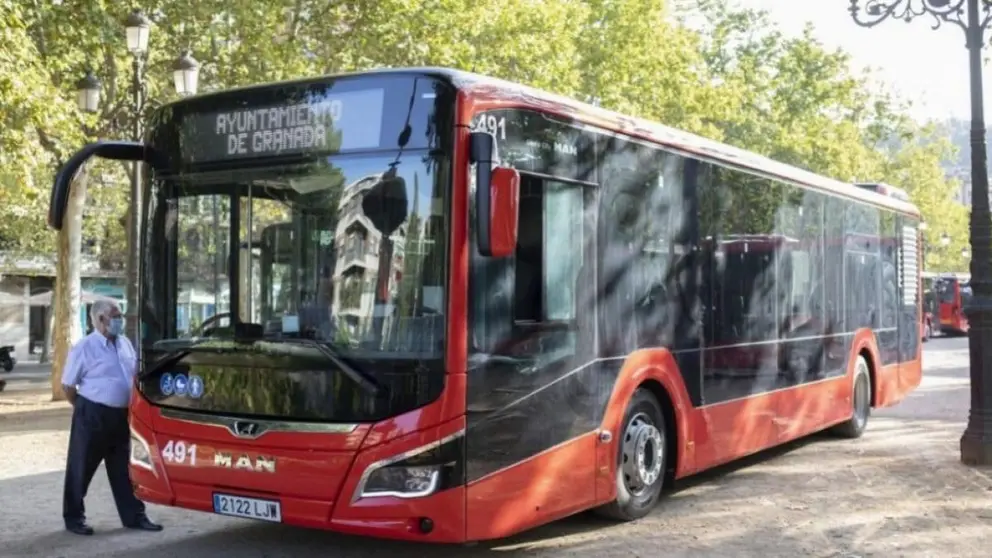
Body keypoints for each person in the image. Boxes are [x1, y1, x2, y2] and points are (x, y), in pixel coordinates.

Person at [61, 299, 162, 536]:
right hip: (93, 414)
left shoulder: (125, 343)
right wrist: (84, 407)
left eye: (120, 315)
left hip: (123, 416)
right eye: (115, 316)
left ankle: (134, 516)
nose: (119, 320)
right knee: (81, 467)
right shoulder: (84, 347)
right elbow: (67, 385)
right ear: (99, 320)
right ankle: (74, 518)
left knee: (126, 469)